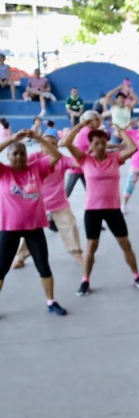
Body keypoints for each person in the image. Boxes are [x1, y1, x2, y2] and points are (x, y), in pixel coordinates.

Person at [62, 121, 139, 295]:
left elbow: (133, 148)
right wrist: (80, 125)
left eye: (103, 143)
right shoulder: (84, 160)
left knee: (125, 244)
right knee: (91, 246)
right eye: (96, 143)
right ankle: (85, 280)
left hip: (113, 209)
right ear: (90, 145)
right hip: (92, 210)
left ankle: (137, 276)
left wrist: (121, 130)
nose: (100, 146)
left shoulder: (115, 158)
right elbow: (66, 143)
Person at [0, 130, 68, 315]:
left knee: (43, 266)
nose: (19, 157)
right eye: (15, 153)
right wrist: (11, 140)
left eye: (22, 153)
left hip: (34, 228)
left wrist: (38, 138)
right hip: (9, 228)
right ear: (8, 157)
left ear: (27, 155)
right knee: (1, 269)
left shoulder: (36, 168)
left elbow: (56, 155)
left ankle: (51, 302)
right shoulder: (3, 172)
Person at [12, 129, 83, 268]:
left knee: (70, 226)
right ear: (41, 145)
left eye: (53, 143)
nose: (49, 145)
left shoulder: (62, 159)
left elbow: (78, 163)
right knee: (29, 232)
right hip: (36, 204)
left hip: (59, 203)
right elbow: (18, 168)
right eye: (46, 143)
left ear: (56, 146)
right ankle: (21, 257)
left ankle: (78, 254)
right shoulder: (34, 157)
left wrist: (77, 149)